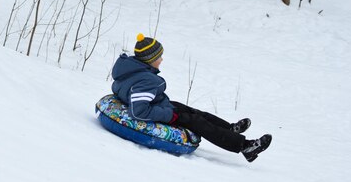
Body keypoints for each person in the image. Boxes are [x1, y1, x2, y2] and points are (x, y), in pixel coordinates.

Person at [111, 33, 272, 162]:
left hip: (158, 104)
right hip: (157, 112)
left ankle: (230, 129)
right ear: (150, 59)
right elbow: (139, 112)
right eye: (159, 57)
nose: (162, 60)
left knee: (194, 112)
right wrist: (169, 115)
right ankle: (245, 147)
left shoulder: (131, 69)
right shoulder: (146, 80)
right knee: (197, 122)